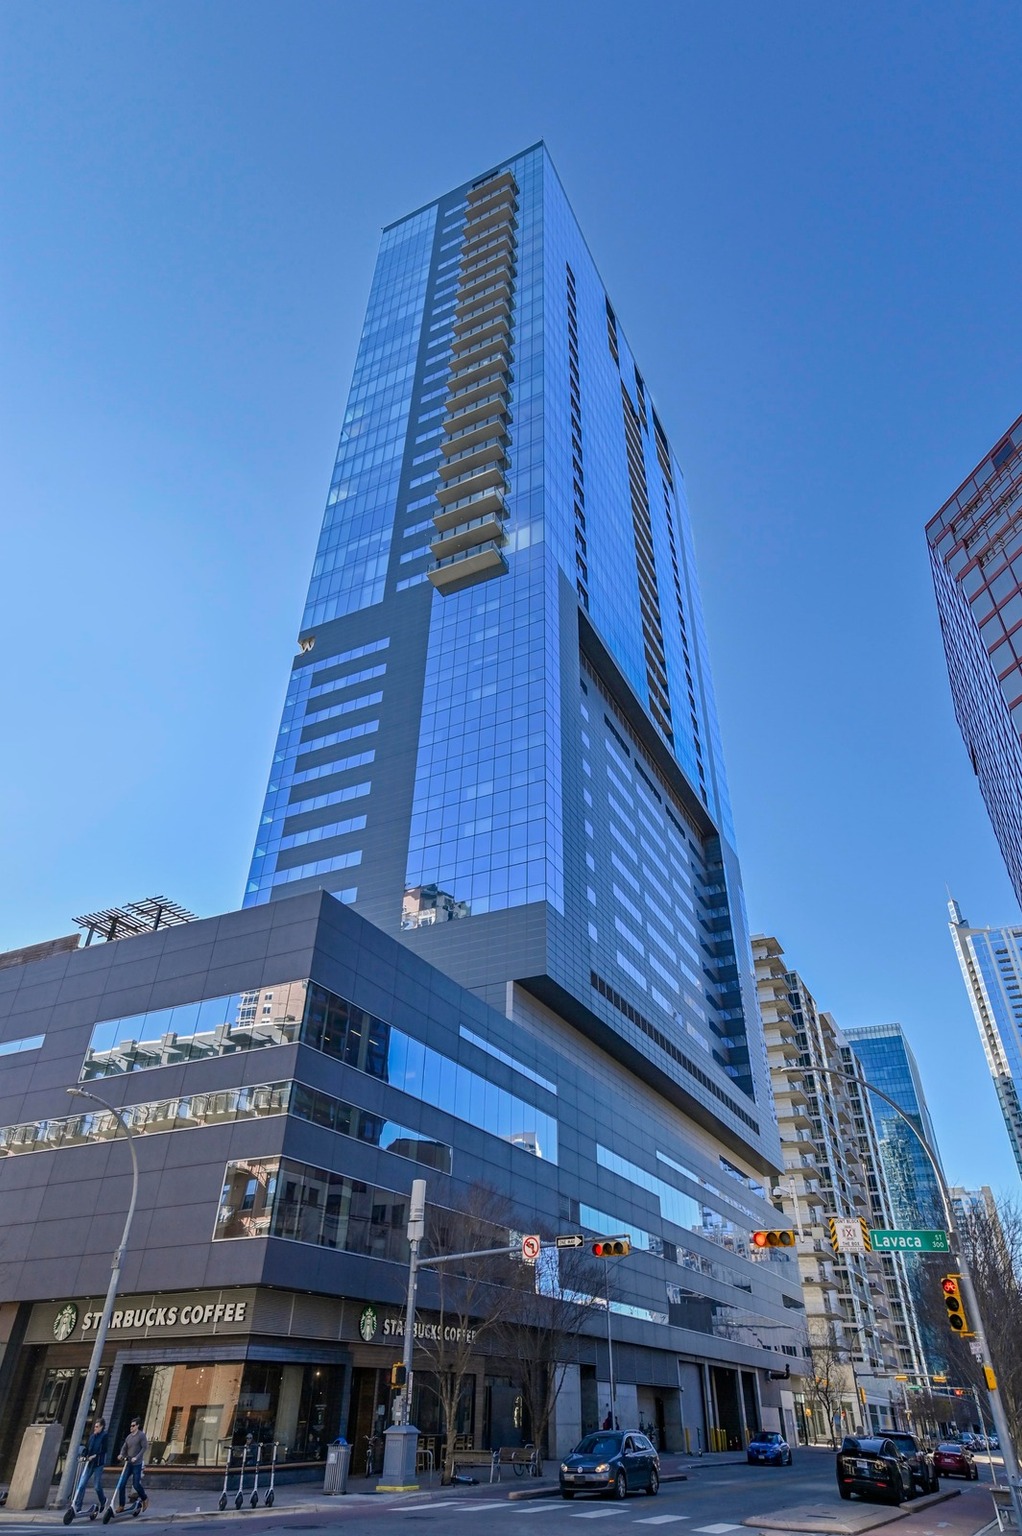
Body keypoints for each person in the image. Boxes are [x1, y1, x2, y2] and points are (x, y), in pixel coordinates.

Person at [73, 1418, 108, 1513]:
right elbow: (88, 1448)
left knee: (96, 1486)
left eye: (97, 1427)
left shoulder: (104, 1436)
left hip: (98, 1464)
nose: (95, 1428)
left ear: (101, 1427)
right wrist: (84, 1455)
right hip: (90, 1463)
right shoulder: (92, 1437)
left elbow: (104, 1450)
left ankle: (103, 1500)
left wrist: (95, 1456)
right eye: (95, 1427)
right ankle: (78, 1507)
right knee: (81, 1485)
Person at [114, 1419, 148, 1513]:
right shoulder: (129, 1437)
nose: (131, 1427)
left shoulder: (141, 1435)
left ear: (137, 1426)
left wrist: (136, 1457)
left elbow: (144, 1447)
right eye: (131, 1426)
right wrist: (121, 1455)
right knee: (121, 1484)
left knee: (136, 1484)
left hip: (136, 1464)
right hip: (128, 1464)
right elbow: (124, 1448)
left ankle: (144, 1499)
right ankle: (121, 1505)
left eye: (133, 1426)